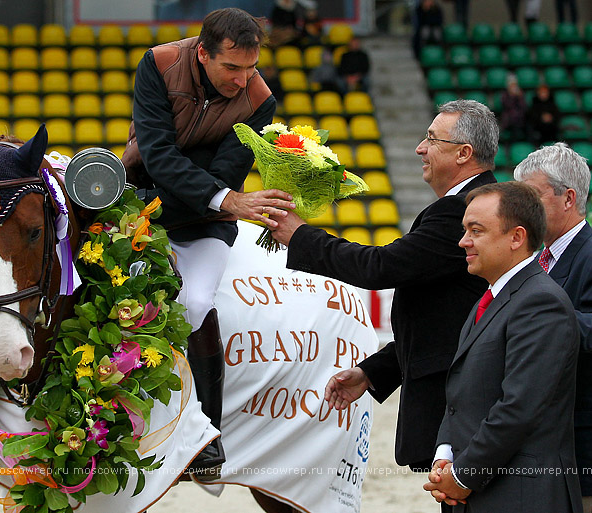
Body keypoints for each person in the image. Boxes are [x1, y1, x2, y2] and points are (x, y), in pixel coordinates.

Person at [269, 99, 498, 474]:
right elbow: (447, 318)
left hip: (461, 401)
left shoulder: (461, 210)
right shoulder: (475, 203)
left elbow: (380, 267)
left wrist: (300, 236)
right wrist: (375, 371)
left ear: (463, 153)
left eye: (431, 139)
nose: (420, 148)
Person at [123, 7, 295, 478]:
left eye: (251, 68)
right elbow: (156, 153)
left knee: (196, 301)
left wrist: (217, 200)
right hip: (146, 200)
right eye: (232, 68)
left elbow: (226, 173)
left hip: (202, 220)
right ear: (202, 53)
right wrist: (223, 199)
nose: (243, 81)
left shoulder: (261, 101)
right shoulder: (157, 64)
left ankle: (208, 437)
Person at [424, 181, 582, 512]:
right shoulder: (492, 296)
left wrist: (464, 476)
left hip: (521, 496)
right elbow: (463, 392)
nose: (463, 241)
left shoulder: (540, 302)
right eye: (465, 229)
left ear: (516, 237)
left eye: (475, 230)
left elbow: (518, 408)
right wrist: (445, 454)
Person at [514, 143, 592, 513]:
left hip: (581, 449)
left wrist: (540, 317)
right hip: (543, 443)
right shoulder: (536, 256)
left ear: (568, 198)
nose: (522, 209)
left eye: (532, 196)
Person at [500, 74, 527, 142]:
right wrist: (512, 96)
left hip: (521, 118)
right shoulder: (504, 95)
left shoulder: (520, 95)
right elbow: (507, 106)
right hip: (509, 119)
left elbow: (524, 107)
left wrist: (519, 97)